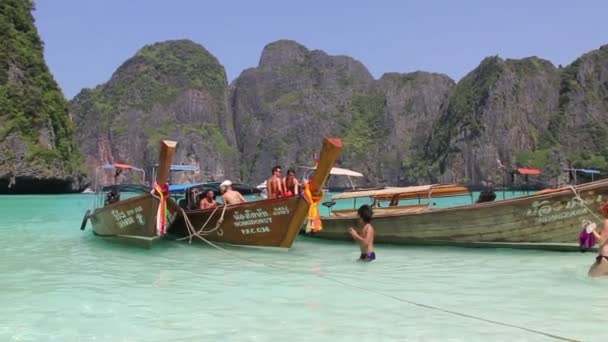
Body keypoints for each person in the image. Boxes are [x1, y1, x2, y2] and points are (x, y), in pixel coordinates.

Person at [587, 202, 608, 277]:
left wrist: (592, 229)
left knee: (591, 279)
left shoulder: (607, 222)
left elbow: (601, 241)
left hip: (605, 258)